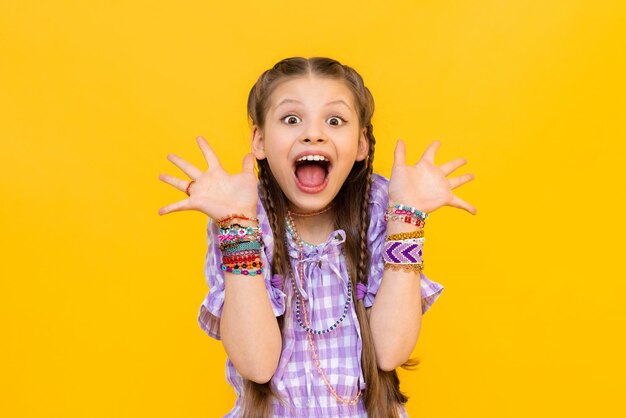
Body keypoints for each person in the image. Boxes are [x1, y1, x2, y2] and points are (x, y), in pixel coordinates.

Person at [158, 56, 476, 418]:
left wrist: (407, 220)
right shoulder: (244, 217)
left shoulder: (382, 208)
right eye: (291, 119)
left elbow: (390, 351)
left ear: (361, 145)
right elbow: (256, 364)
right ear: (259, 141)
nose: (313, 133)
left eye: (335, 120)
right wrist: (237, 226)